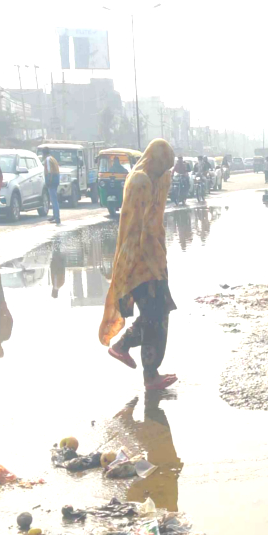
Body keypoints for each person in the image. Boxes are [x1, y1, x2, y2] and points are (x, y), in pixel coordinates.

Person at [100, 138, 178, 392]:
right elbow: (140, 230)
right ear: (154, 161)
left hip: (150, 257)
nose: (164, 174)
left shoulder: (153, 179)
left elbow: (156, 219)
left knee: (157, 313)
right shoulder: (141, 181)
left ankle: (142, 366)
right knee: (155, 315)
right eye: (162, 168)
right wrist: (155, 266)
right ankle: (137, 361)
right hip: (139, 260)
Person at [41, 147, 62, 225]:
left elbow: (49, 172)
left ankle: (57, 218)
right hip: (56, 179)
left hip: (52, 181)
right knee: (53, 199)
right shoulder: (53, 158)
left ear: (44, 153)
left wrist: (49, 181)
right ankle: (54, 216)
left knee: (54, 200)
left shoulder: (47, 160)